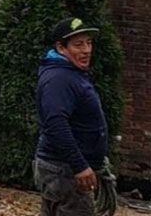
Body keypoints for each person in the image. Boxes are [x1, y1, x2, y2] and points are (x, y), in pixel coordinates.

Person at [35, 17, 115, 216]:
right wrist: (80, 166)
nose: (86, 50)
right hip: (64, 170)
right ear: (61, 48)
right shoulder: (59, 79)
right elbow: (55, 125)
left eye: (89, 43)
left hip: (63, 169)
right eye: (78, 45)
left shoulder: (70, 73)